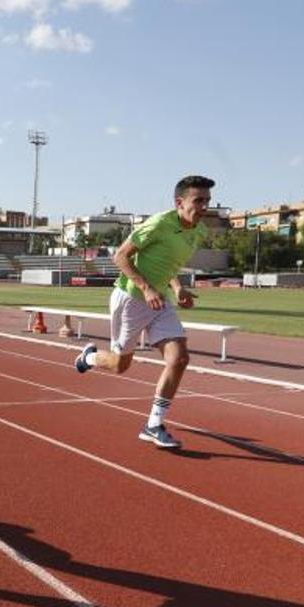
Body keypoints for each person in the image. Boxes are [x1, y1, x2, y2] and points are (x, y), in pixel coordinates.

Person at [74, 175, 215, 449]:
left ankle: (153, 425)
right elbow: (120, 256)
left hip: (160, 301)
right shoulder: (159, 224)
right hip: (131, 299)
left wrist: (177, 288)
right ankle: (89, 357)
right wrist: (146, 288)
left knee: (179, 359)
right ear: (180, 202)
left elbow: (169, 264)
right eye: (198, 200)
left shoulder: (199, 232)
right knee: (119, 365)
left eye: (207, 201)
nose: (204, 207)